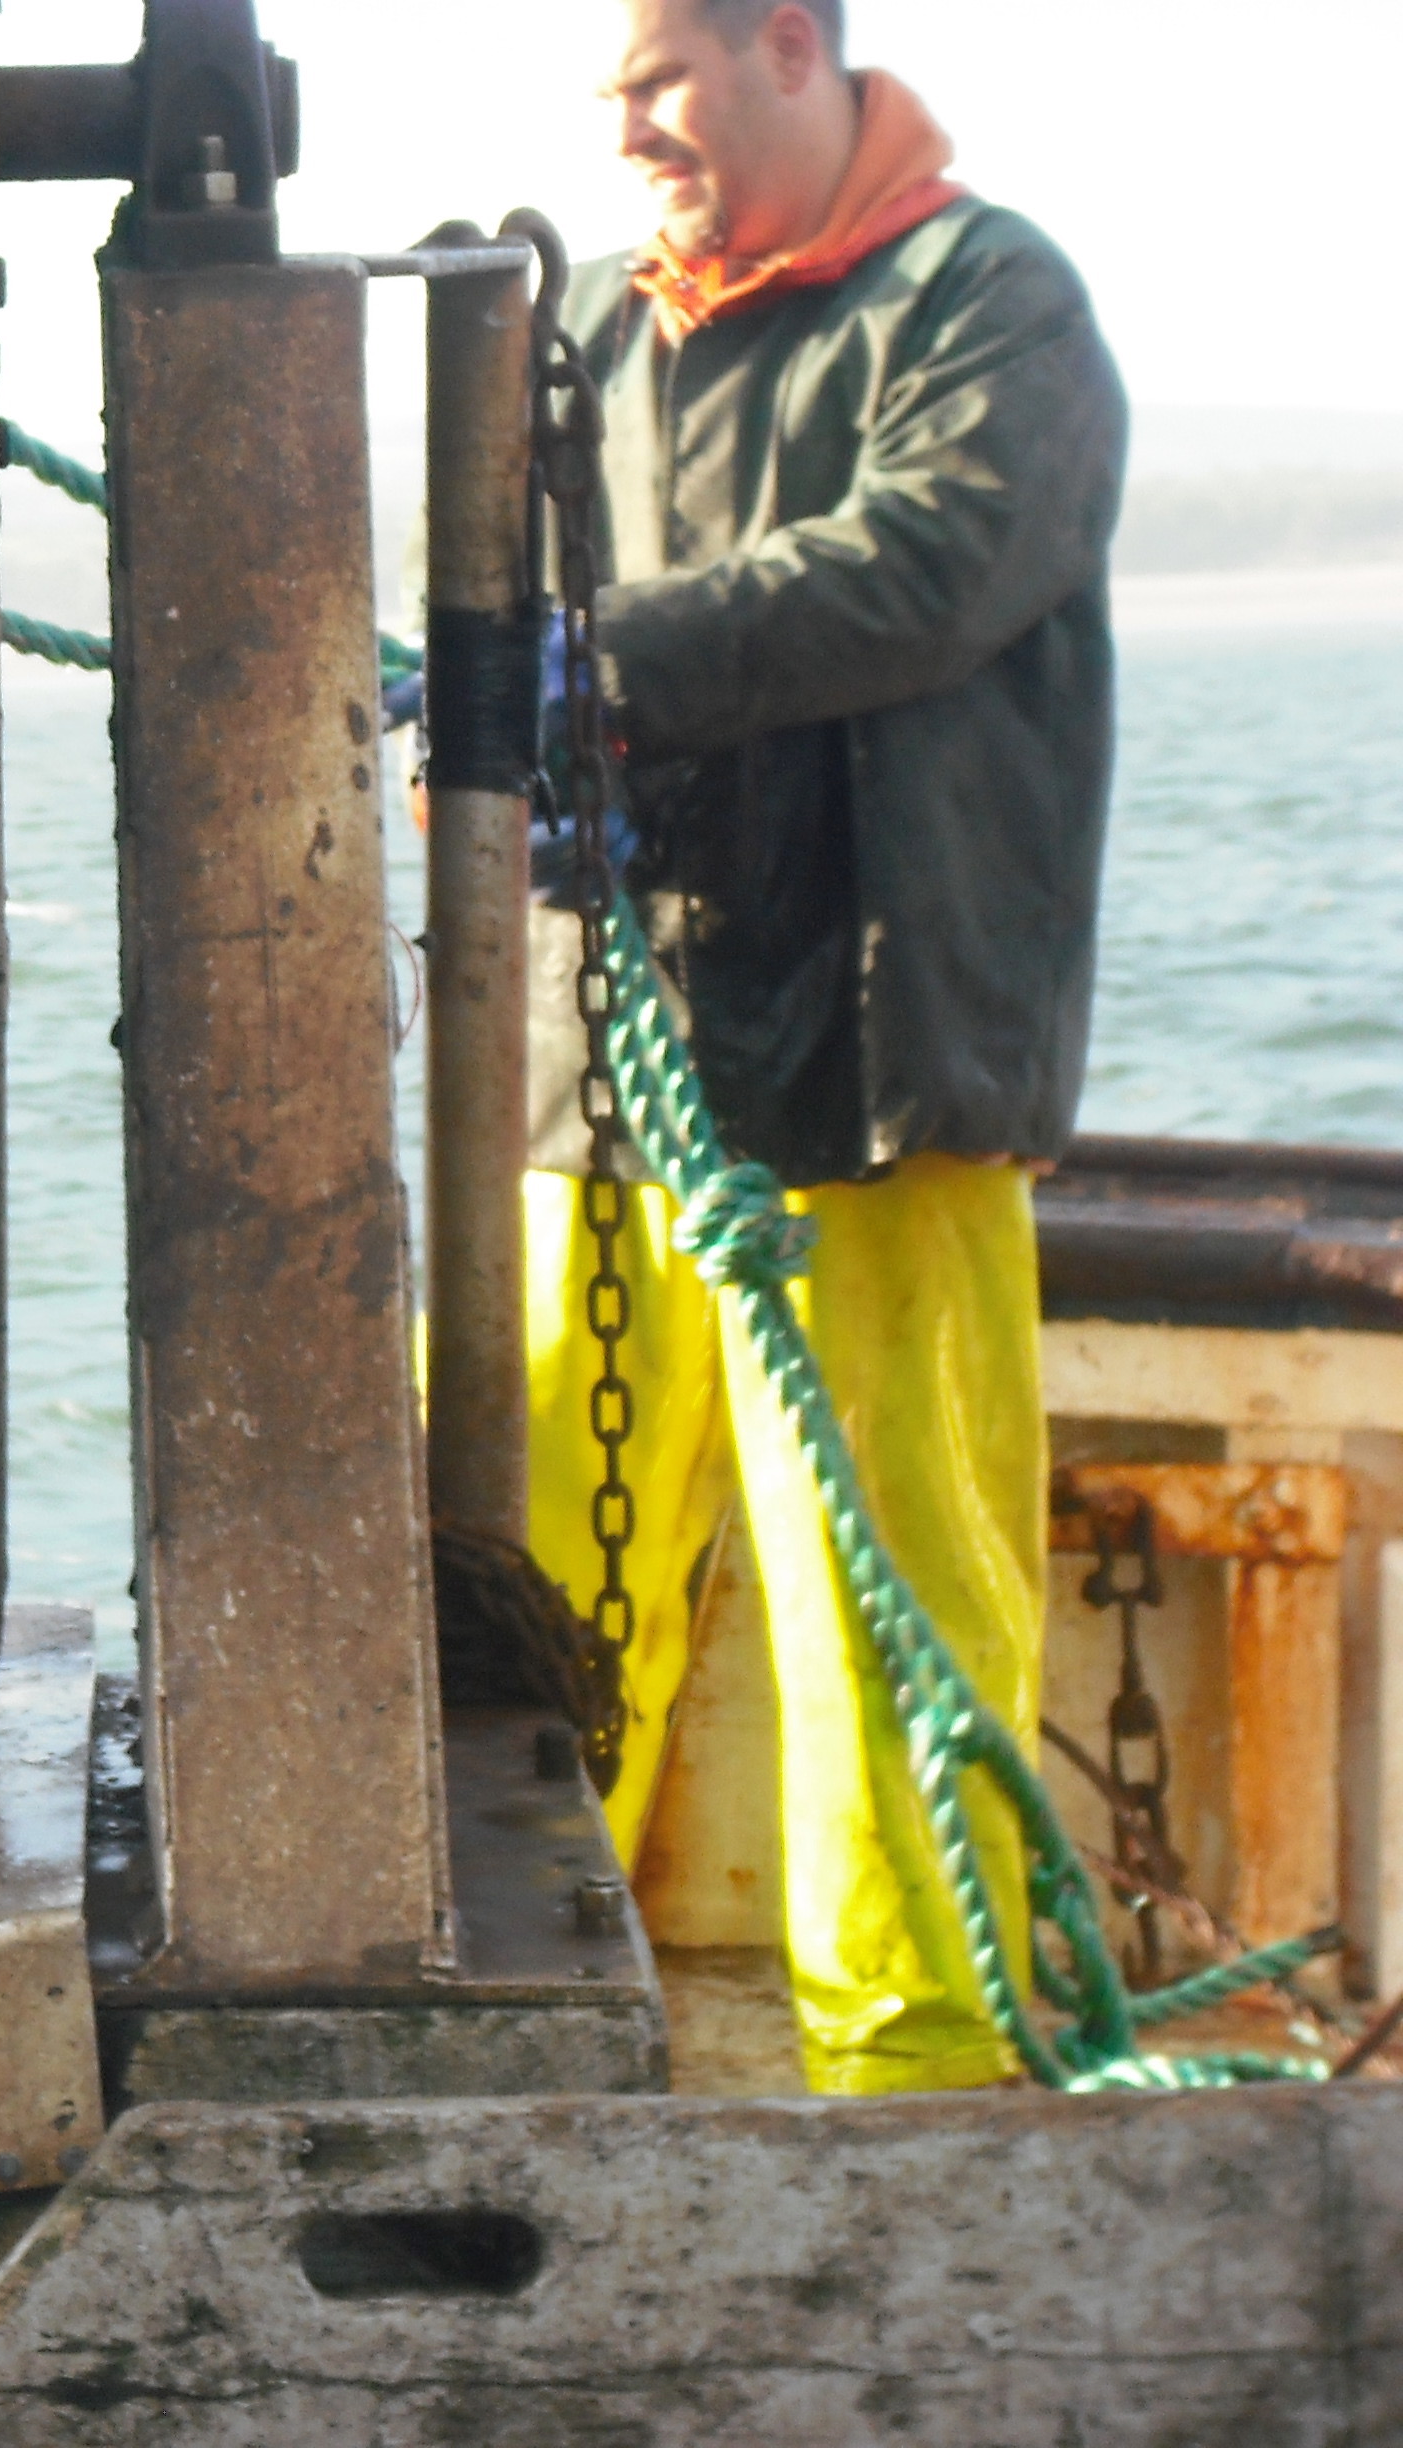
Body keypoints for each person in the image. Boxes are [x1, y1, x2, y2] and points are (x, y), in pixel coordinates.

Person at [520, 0, 1128, 2093]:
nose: (621, 130)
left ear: (789, 41)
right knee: (522, 1573)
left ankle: (922, 2079)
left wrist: (595, 666)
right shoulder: (582, 327)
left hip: (884, 1065)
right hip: (600, 1071)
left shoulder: (995, 304)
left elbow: (927, 568)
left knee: (899, 1598)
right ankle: (504, 2026)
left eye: (655, 76)